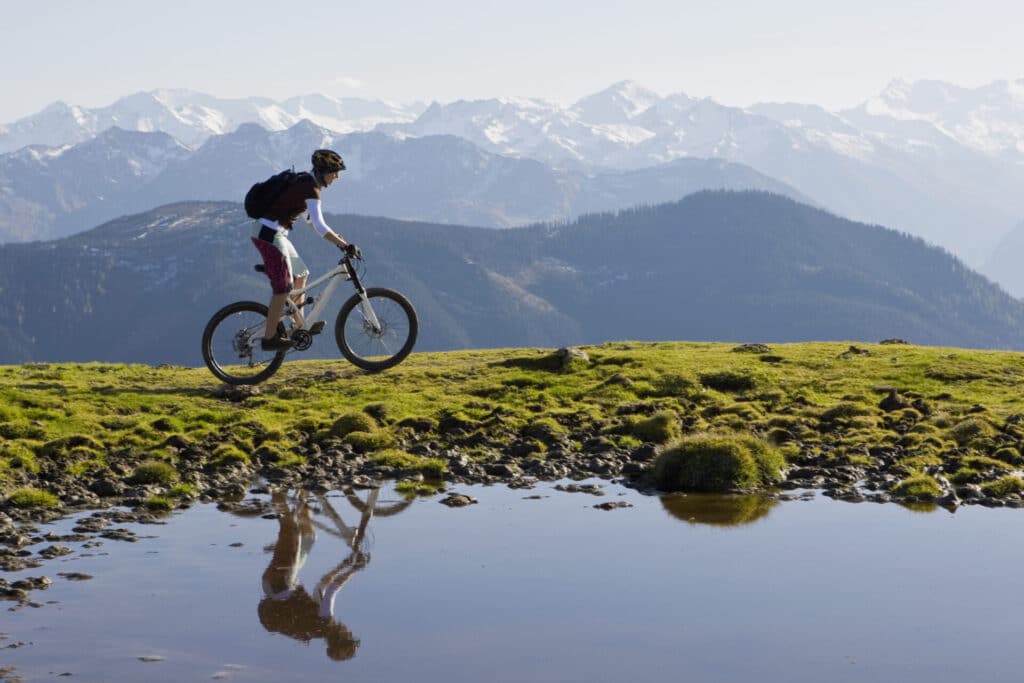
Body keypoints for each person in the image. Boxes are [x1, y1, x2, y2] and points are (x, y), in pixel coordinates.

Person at [250, 149, 361, 351]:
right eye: (334, 172)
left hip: (276, 234)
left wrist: (339, 240)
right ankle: (269, 337)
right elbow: (319, 226)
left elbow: (310, 222)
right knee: (283, 286)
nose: (336, 177)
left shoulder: (307, 183)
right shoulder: (310, 188)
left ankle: (300, 326)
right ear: (324, 170)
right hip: (268, 233)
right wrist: (344, 245)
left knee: (301, 274)